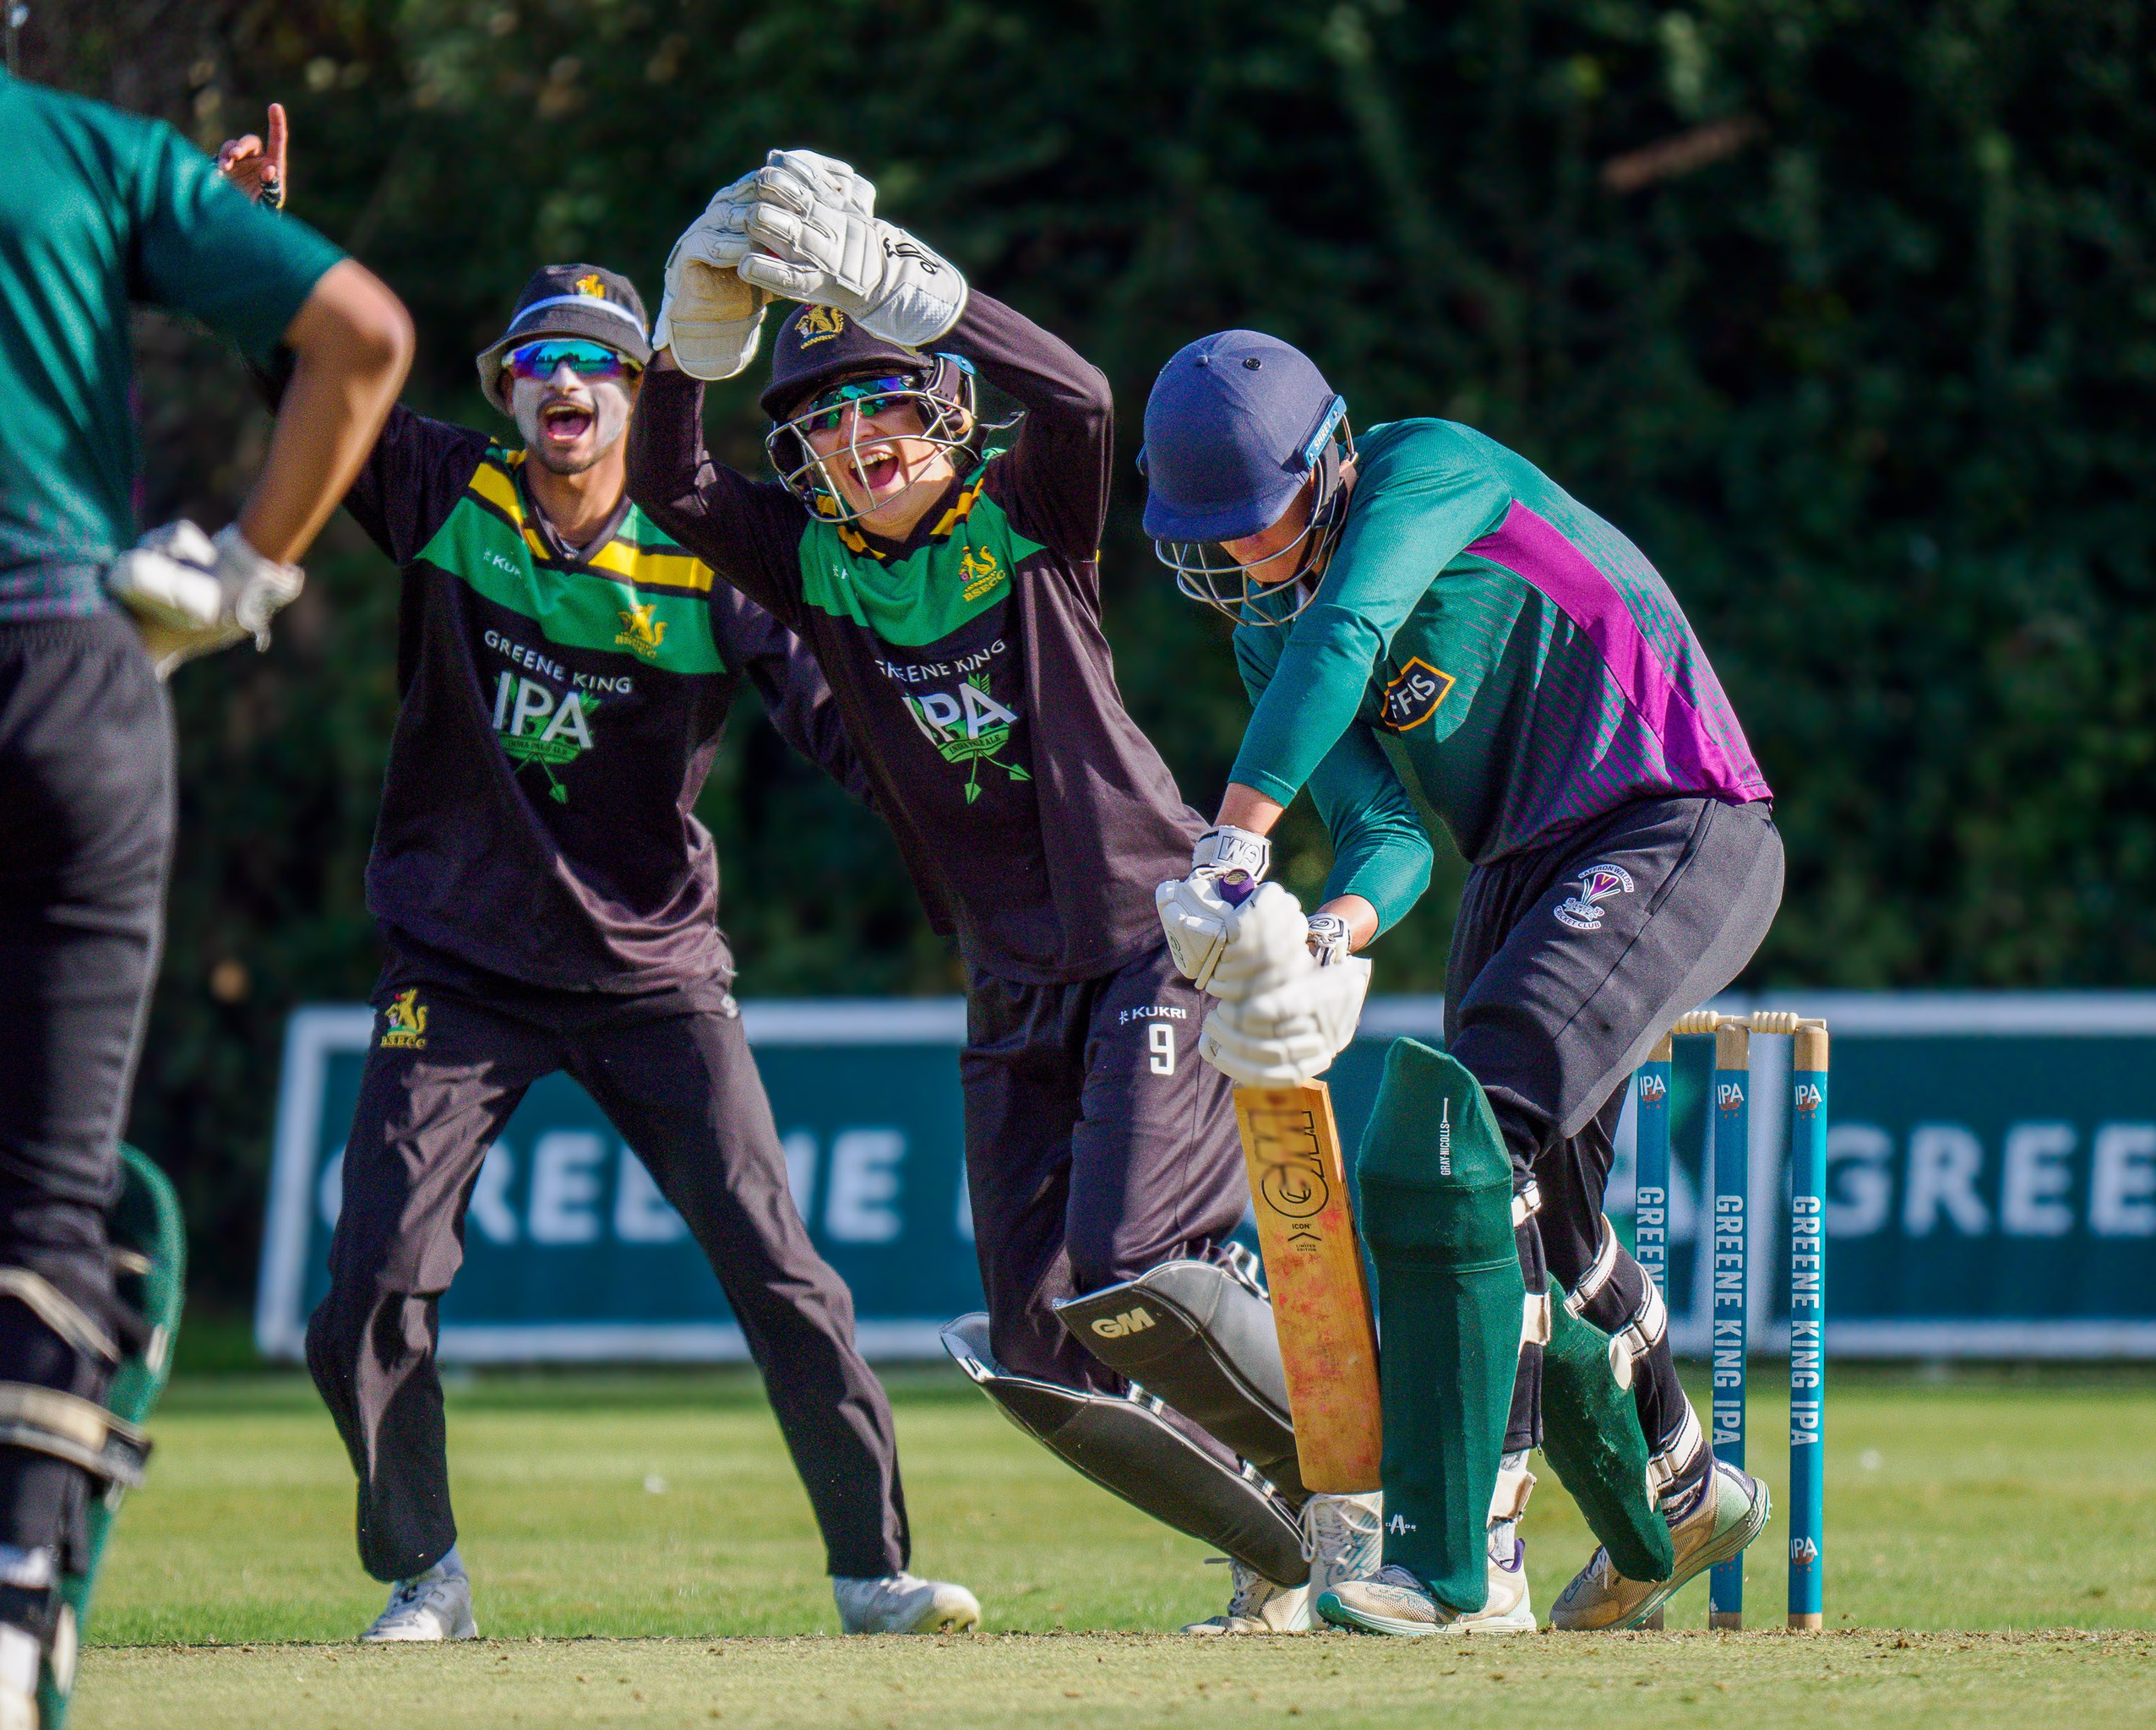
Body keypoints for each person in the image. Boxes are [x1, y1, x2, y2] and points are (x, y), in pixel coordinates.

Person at [221, 128, 981, 1643]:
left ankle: (871, 1574)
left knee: (782, 1272)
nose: (568, 388)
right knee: (370, 1288)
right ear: (507, 392)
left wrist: (962, 810)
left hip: (653, 978)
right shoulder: (446, 493)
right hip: (458, 967)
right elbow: (310, 380)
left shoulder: (711, 559)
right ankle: (423, 1578)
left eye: (602, 365)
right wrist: (256, 247)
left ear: (640, 392)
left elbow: (837, 722)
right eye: (538, 364)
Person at [626, 151, 1381, 1635]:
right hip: (1010, 973)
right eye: (828, 424)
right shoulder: (814, 566)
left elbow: (1088, 398)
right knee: (1043, 1342)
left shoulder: (1023, 513)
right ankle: (1288, 1508)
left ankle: (1353, 1489)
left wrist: (937, 300)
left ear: (943, 412)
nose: (861, 439)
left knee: (1122, 1267)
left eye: (887, 402)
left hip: (1145, 942)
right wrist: (681, 346)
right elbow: (670, 481)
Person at [1141, 329, 1783, 1635]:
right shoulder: (1271, 638)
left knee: (1460, 1146)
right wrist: (1327, 930)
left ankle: (1458, 1560)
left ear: (1328, 462)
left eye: (1263, 524)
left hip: (1667, 813)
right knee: (1537, 1209)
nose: (1248, 560)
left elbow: (1356, 628)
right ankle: (1680, 1486)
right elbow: (1385, 838)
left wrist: (1232, 841)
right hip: (1515, 864)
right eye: (1217, 537)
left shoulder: (1428, 470)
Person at [0, 73, 411, 1727]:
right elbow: (362, 335)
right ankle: (17, 1617)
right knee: (45, 1199)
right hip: (65, 667)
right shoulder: (76, 147)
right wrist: (245, 567)